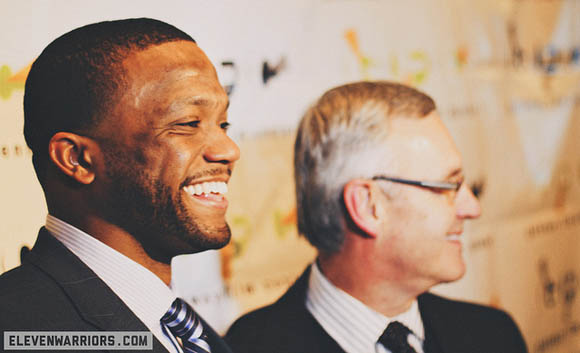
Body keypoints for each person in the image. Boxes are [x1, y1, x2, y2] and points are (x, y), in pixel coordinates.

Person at [226, 81, 528, 353]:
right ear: (368, 205)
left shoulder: (493, 335)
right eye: (449, 185)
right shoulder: (244, 348)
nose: (472, 208)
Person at [0, 18, 239, 353]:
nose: (229, 150)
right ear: (77, 159)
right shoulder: (17, 331)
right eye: (188, 123)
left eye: (223, 123)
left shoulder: (180, 326)